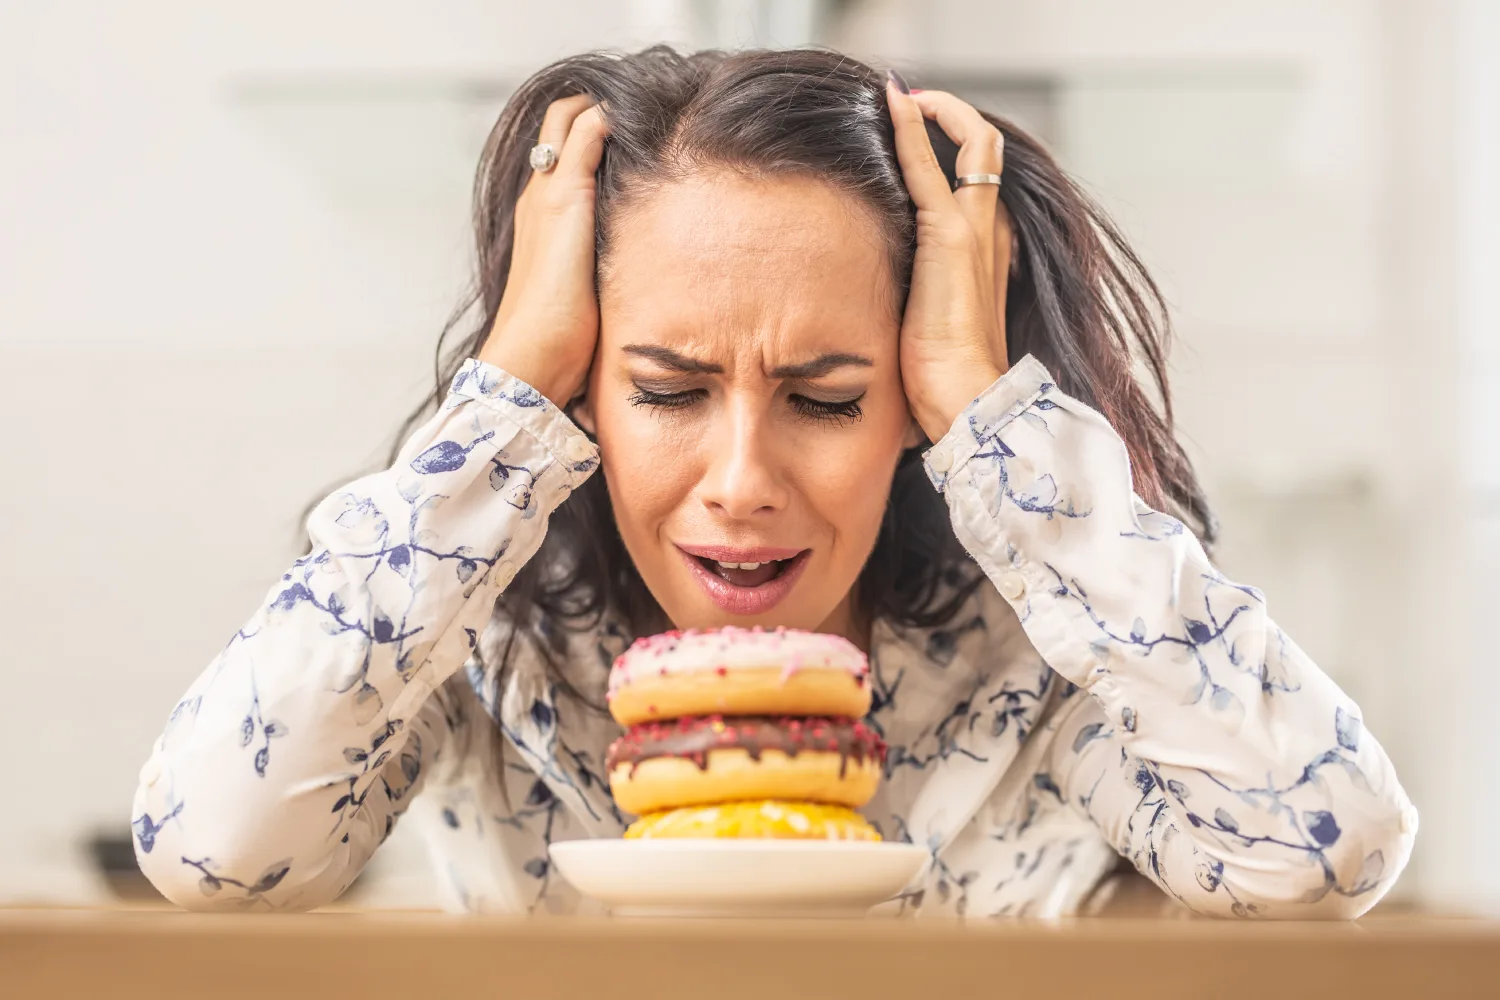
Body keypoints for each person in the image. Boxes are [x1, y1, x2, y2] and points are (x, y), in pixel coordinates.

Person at [130, 47, 1415, 917]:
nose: (740, 482)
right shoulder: (472, 637)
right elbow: (213, 853)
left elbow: (1326, 848)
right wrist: (509, 388)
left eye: (825, 399)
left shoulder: (1042, 668)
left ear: (912, 403)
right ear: (583, 386)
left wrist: (994, 416)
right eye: (668, 390)